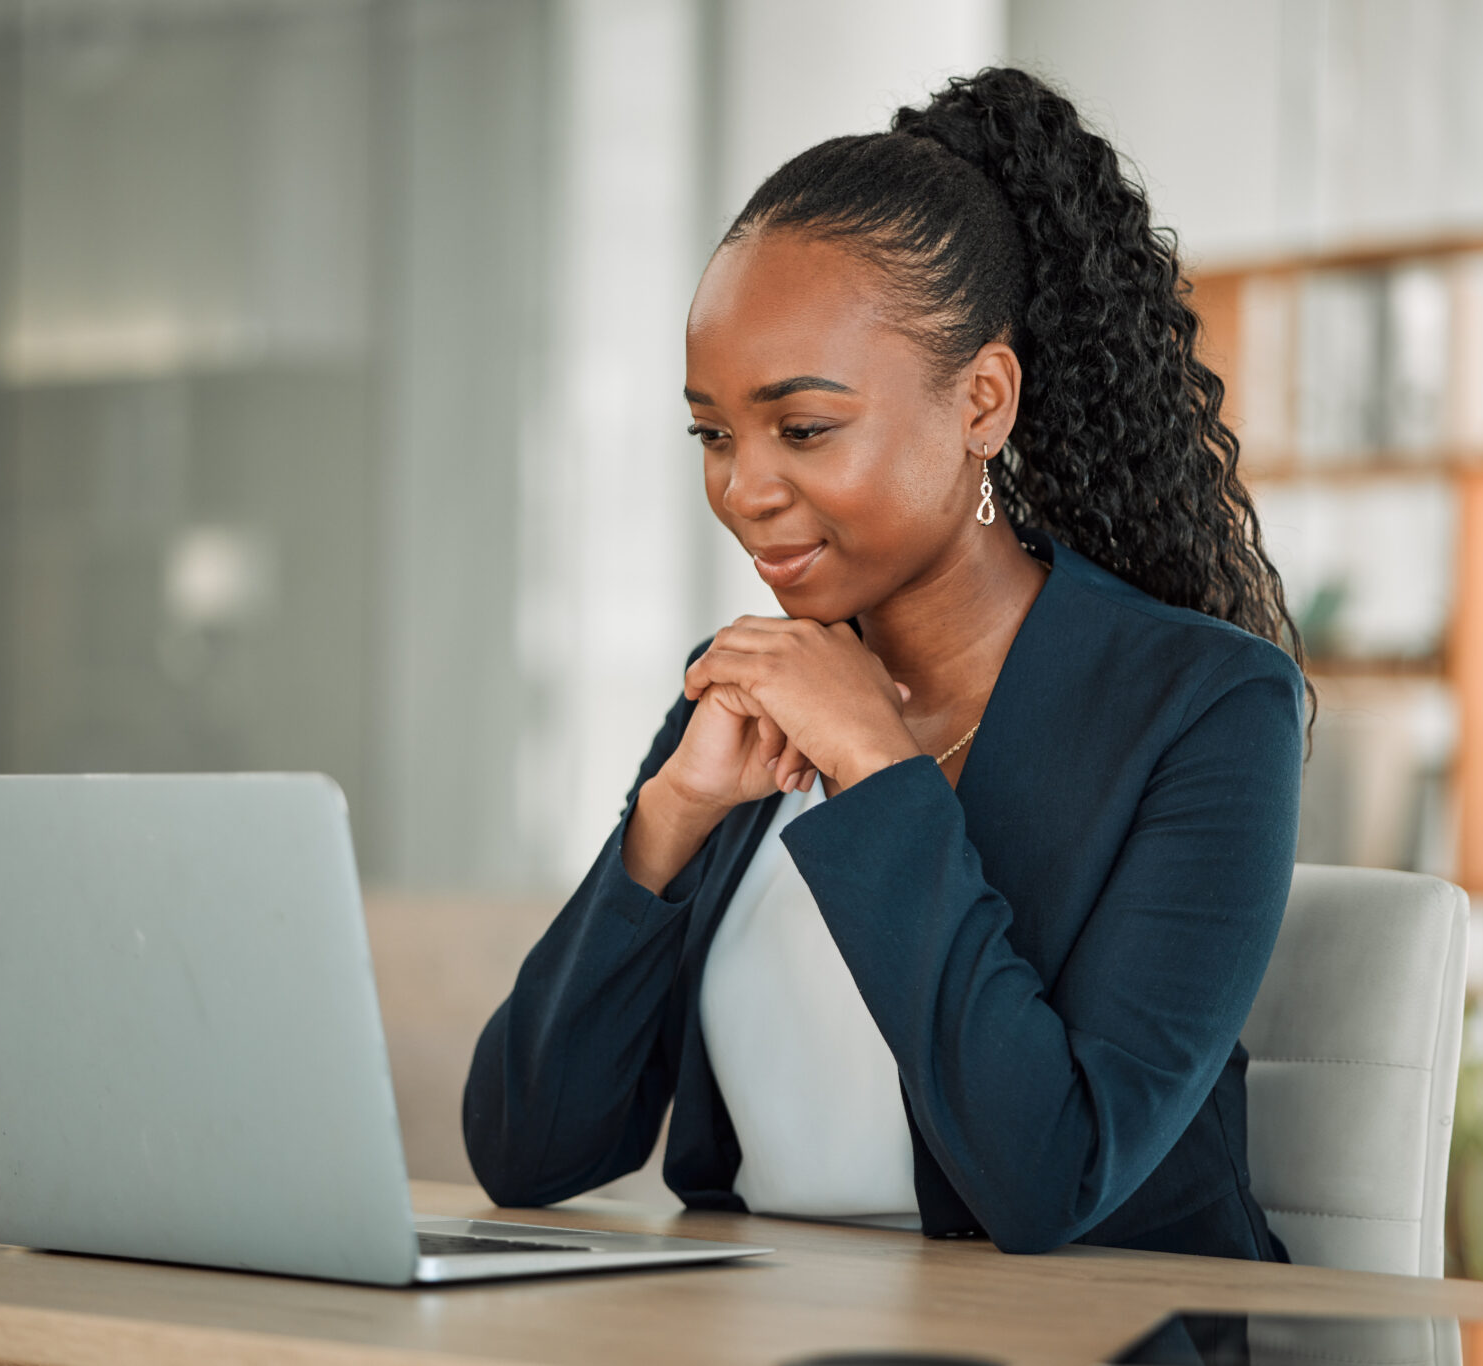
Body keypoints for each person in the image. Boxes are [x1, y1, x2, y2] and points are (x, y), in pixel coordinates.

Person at [463, 66, 1314, 1260]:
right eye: (712, 433)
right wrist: (667, 823)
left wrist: (875, 766)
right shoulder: (747, 690)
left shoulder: (1204, 709)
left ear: (981, 400)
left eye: (802, 428)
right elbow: (528, 1149)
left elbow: (1049, 1179)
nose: (744, 490)